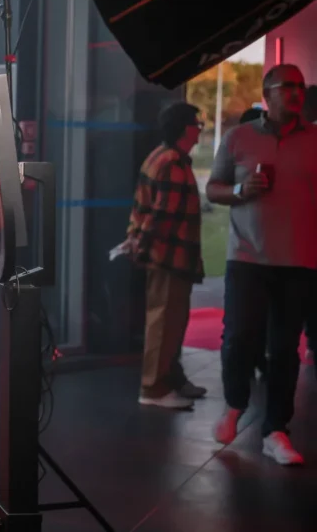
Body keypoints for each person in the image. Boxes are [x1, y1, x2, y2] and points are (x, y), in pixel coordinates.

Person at [207, 64, 317, 466]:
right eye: (287, 86)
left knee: (285, 350)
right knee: (239, 337)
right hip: (247, 257)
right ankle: (235, 403)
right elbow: (213, 189)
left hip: (300, 260)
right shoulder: (238, 138)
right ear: (267, 93)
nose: (296, 93)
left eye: (300, 87)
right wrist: (240, 189)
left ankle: (276, 431)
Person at [125, 103, 206, 410]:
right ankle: (154, 388)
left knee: (169, 322)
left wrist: (137, 243)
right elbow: (161, 215)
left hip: (167, 256)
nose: (200, 130)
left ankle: (169, 380)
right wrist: (144, 245)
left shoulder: (162, 156)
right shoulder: (172, 163)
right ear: (185, 128)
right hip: (170, 257)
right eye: (197, 124)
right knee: (164, 324)